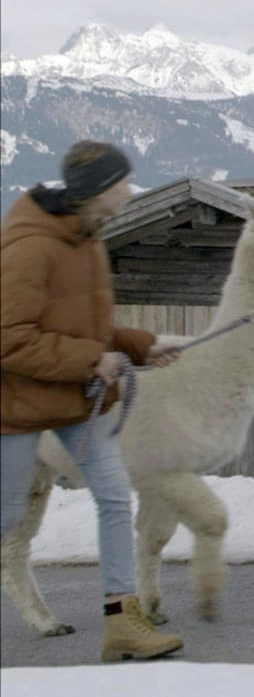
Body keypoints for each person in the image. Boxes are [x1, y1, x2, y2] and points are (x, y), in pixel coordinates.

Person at [1, 141, 183, 662]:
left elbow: (90, 326)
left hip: (78, 400)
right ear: (98, 191)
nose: (130, 190)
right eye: (122, 182)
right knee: (7, 513)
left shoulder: (88, 239)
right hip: (15, 405)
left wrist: (144, 347)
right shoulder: (31, 248)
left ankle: (122, 623)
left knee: (112, 496)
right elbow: (8, 337)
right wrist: (89, 360)